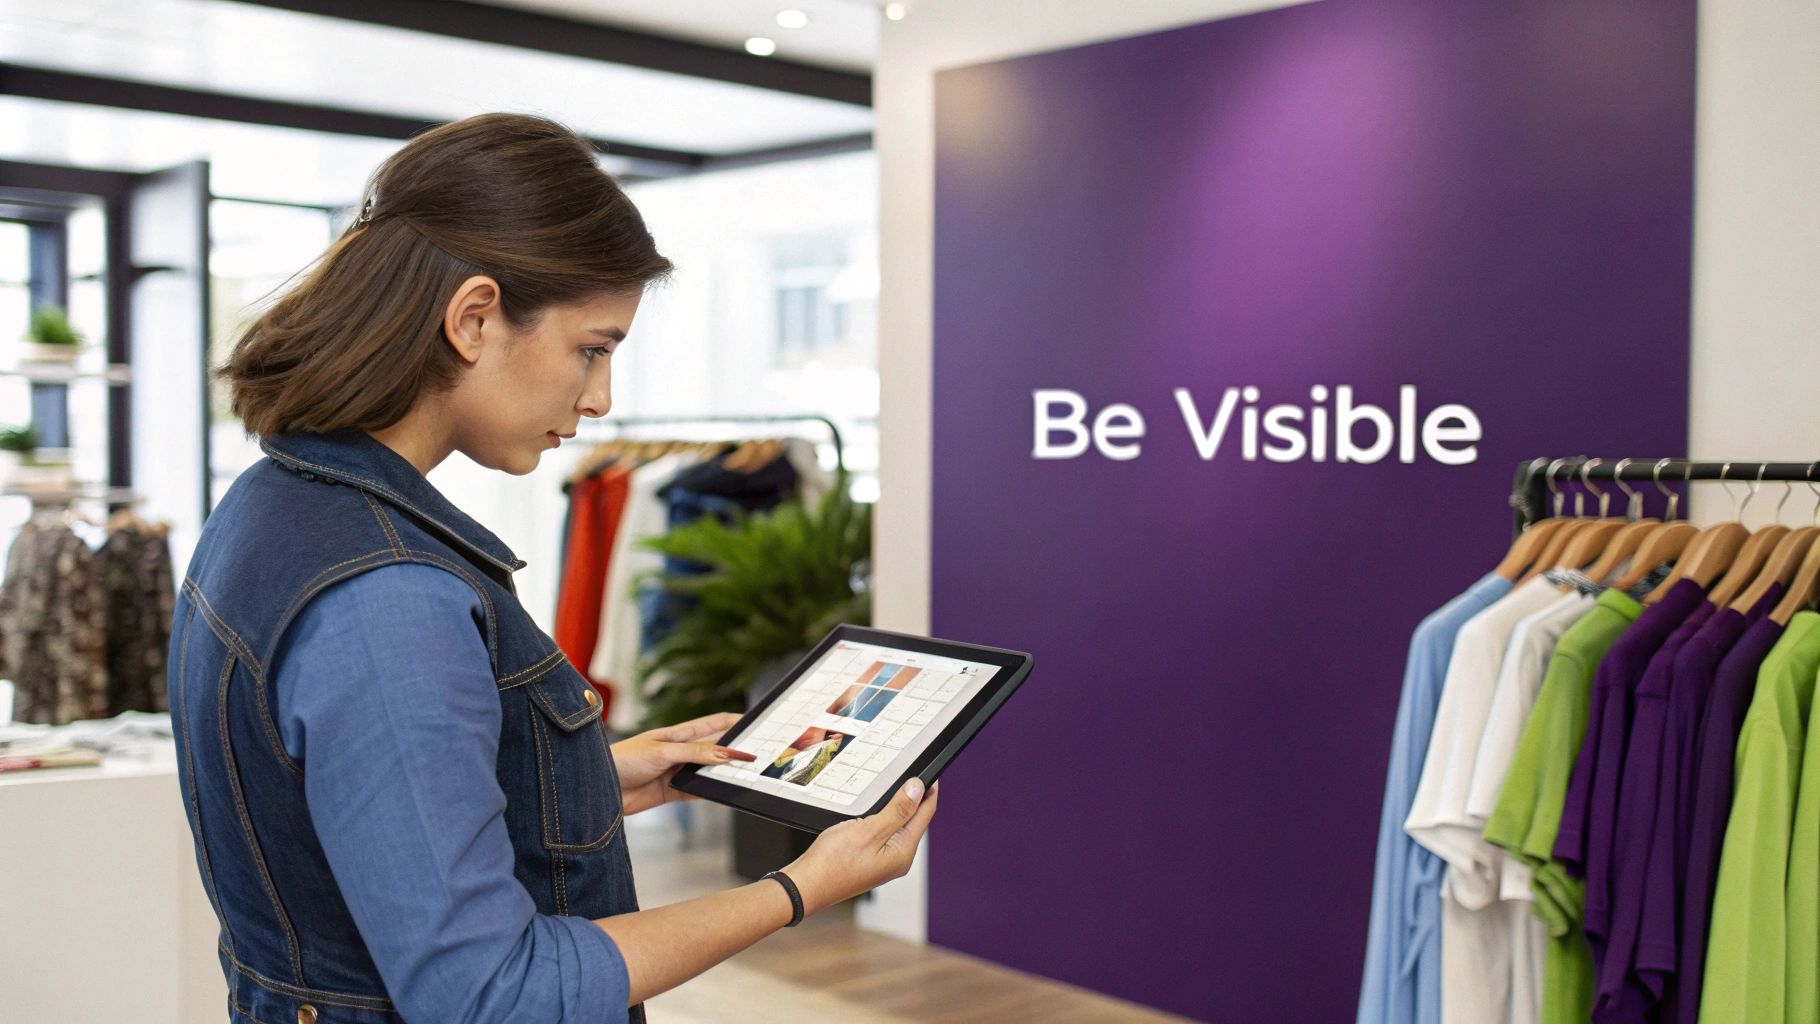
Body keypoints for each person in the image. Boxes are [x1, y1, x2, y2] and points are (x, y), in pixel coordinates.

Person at [168, 112, 938, 1024]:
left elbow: (353, 821)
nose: (602, 397)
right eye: (593, 348)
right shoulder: (389, 598)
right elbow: (495, 990)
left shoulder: (274, 499)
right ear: (474, 317)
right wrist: (798, 887)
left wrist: (591, 780)